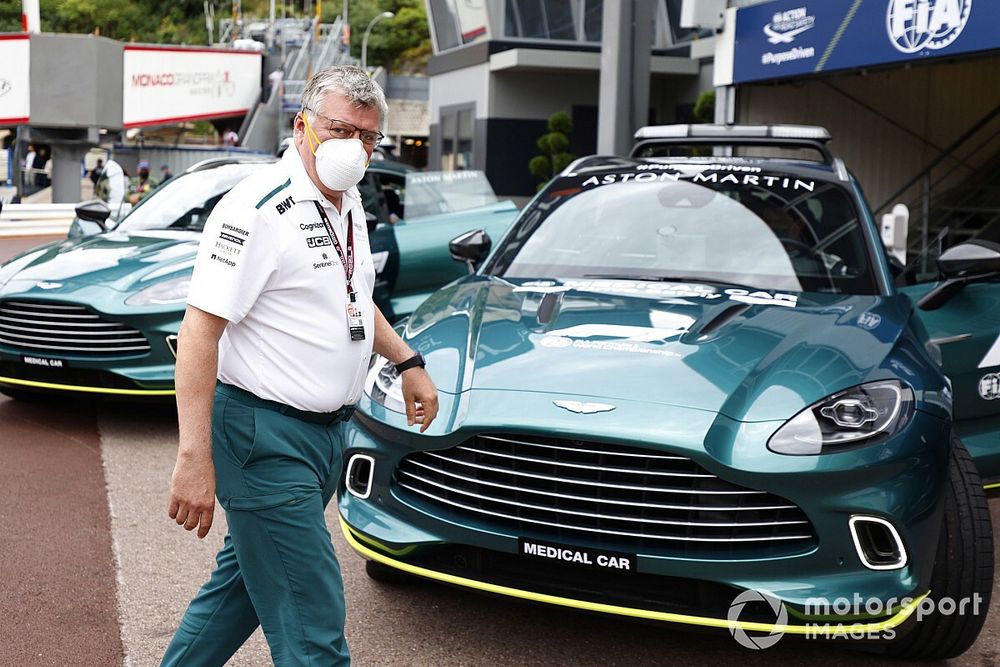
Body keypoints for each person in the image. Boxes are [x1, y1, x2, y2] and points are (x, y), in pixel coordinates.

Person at [161, 64, 438, 667]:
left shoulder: (348, 203)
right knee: (314, 628)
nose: (355, 148)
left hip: (324, 437)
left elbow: (353, 298)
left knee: (240, 591)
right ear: (303, 124)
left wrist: (407, 359)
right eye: (341, 130)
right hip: (262, 438)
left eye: (368, 137)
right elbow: (200, 330)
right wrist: (192, 457)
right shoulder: (256, 209)